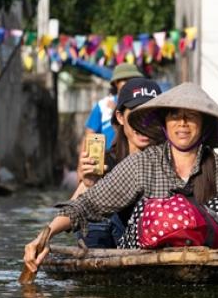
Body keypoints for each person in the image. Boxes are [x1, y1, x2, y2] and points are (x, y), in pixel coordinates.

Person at [24, 82, 218, 271]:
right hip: (145, 256)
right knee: (146, 210)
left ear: (204, 125)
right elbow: (89, 204)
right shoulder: (142, 165)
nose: (183, 124)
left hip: (209, 257)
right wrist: (45, 234)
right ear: (164, 125)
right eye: (175, 116)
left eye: (191, 117)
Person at [70, 77, 163, 248]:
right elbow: (76, 206)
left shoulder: (168, 158)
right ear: (120, 117)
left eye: (150, 116)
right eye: (135, 116)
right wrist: (46, 234)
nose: (143, 124)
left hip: (154, 236)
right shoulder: (107, 161)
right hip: (113, 239)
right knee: (95, 214)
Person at [84, 63, 144, 151]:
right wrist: (82, 163)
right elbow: (89, 135)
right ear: (116, 83)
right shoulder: (103, 105)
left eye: (133, 79)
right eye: (124, 80)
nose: (129, 83)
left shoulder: (144, 103)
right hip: (110, 159)